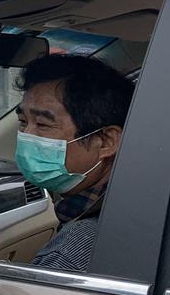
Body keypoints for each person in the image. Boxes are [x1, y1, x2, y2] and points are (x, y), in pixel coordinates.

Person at [13, 54, 135, 272]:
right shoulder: (139, 202)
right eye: (23, 122)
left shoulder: (72, 253)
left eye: (43, 124)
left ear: (106, 141)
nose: (26, 136)